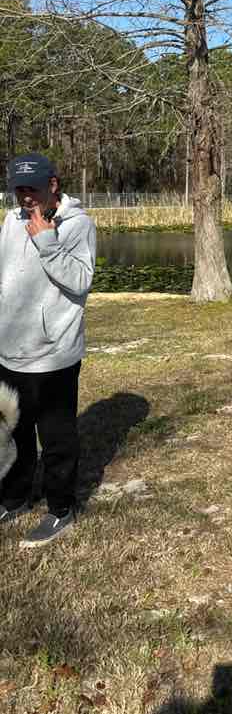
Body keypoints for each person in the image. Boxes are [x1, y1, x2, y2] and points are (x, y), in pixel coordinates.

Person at [0, 153, 96, 547]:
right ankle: (14, 498)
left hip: (54, 352)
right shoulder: (10, 220)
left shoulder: (78, 224)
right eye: (18, 188)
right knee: (13, 432)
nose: (24, 196)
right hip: (9, 349)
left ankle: (61, 509)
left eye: (32, 188)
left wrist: (47, 241)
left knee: (56, 437)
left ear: (52, 185)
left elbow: (80, 281)